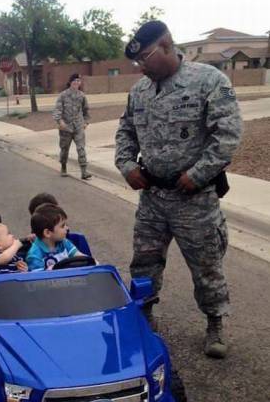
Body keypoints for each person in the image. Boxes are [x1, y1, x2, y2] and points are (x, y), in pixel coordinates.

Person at [115, 21, 242, 359]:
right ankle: (144, 313)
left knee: (206, 265)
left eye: (145, 57)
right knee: (144, 261)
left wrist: (199, 174)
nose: (141, 66)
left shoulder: (208, 81)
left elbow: (227, 135)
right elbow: (125, 132)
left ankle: (215, 322)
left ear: (167, 46)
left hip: (194, 200)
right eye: (137, 62)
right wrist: (127, 166)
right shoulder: (140, 91)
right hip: (153, 199)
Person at [52, 73, 92, 180]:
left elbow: (86, 110)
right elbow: (57, 110)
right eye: (74, 81)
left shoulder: (82, 96)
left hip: (78, 126)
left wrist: (86, 122)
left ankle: (84, 171)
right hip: (66, 127)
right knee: (65, 149)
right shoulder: (63, 95)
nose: (76, 83)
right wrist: (60, 122)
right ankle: (63, 167)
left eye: (78, 81)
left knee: (81, 148)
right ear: (70, 82)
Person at [26, 204, 83, 271]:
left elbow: (79, 256)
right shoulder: (35, 255)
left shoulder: (64, 242)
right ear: (47, 233)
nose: (67, 228)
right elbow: (39, 279)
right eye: (62, 226)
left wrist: (92, 261)